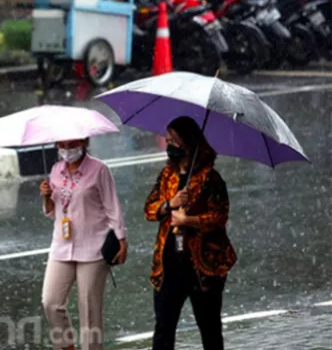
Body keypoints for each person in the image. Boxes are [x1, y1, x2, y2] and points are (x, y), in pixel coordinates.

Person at [143, 116, 238, 350]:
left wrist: (189, 220)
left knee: (209, 329)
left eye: (173, 140)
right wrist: (169, 204)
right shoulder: (167, 175)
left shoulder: (210, 179)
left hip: (203, 267)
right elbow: (149, 209)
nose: (169, 145)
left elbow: (219, 216)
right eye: (167, 139)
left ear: (188, 143)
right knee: (163, 329)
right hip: (169, 266)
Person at [40, 138, 128, 350]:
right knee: (50, 302)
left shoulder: (99, 170)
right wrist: (46, 197)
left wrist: (122, 239)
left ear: (84, 142)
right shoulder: (55, 170)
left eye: (72, 145)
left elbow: (112, 206)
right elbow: (53, 211)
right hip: (62, 246)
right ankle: (66, 346)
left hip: (93, 247)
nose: (67, 150)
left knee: (89, 311)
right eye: (62, 145)